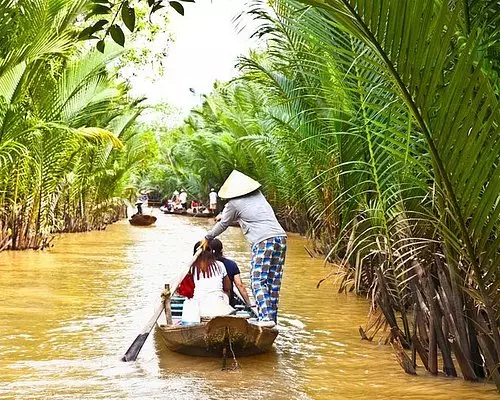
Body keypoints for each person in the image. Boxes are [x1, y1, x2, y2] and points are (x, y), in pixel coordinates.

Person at [204, 170, 287, 327]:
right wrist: (224, 214)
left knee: (257, 280)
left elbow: (223, 224)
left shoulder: (233, 203)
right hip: (280, 238)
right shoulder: (259, 195)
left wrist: (207, 237)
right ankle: (271, 319)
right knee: (273, 281)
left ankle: (265, 319)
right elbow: (246, 211)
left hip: (263, 240)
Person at [190, 241, 234, 318]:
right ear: (211, 252)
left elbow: (186, 290)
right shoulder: (220, 265)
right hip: (219, 307)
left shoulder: (191, 267)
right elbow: (228, 287)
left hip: (199, 306)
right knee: (226, 293)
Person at [209, 238, 252, 308]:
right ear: (221, 250)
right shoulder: (231, 264)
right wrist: (248, 303)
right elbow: (239, 285)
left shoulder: (204, 265)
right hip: (228, 300)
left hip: (209, 299)